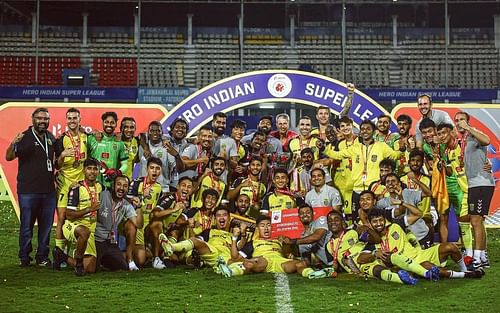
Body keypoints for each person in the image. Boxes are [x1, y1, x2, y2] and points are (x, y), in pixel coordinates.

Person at [367, 209, 484, 280]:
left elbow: (418, 214)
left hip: (421, 253)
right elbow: (360, 257)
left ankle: (465, 270)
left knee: (450, 247)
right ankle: (462, 275)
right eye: (375, 222)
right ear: (370, 224)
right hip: (410, 265)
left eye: (380, 220)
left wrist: (402, 202)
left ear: (384, 219)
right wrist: (375, 253)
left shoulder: (395, 225)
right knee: (429, 267)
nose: (378, 224)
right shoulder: (371, 241)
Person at [6, 107, 56, 267]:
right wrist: (13, 142)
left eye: (46, 119)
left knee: (46, 227)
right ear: (33, 119)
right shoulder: (25, 137)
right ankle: (24, 257)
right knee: (27, 226)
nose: (43, 121)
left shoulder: (51, 138)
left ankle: (42, 257)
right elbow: (8, 157)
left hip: (48, 191)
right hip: (28, 191)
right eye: (40, 118)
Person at [324, 120, 403, 222]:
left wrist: (402, 149)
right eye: (363, 129)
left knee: (375, 218)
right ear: (360, 132)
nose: (365, 131)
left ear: (374, 132)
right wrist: (323, 149)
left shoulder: (381, 146)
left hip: (373, 190)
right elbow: (336, 155)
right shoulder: (355, 148)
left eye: (368, 129)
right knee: (356, 219)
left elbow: (395, 155)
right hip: (357, 190)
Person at [322, 210, 419, 285]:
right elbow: (335, 267)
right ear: (327, 224)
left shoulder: (354, 232)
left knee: (384, 264)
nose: (333, 222)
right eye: (330, 221)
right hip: (359, 269)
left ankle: (411, 274)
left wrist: (367, 228)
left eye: (336, 219)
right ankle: (403, 278)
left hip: (368, 258)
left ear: (342, 222)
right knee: (377, 270)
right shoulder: (328, 246)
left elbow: (377, 240)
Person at [455, 111, 495, 269]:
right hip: (474, 184)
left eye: (462, 120)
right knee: (477, 221)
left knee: (476, 220)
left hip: (482, 183)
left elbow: (487, 140)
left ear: (468, 121)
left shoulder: (473, 135)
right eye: (457, 121)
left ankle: (477, 258)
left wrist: (469, 128)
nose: (459, 123)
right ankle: (483, 256)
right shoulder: (463, 140)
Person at [160, 207, 247, 275]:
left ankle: (217, 268)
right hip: (211, 252)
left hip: (226, 256)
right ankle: (172, 247)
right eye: (218, 215)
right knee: (194, 244)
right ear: (215, 219)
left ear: (229, 218)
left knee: (240, 263)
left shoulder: (234, 234)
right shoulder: (208, 231)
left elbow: (240, 247)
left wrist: (242, 234)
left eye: (224, 215)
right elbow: (195, 242)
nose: (221, 217)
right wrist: (191, 228)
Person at [436, 123, 473, 260]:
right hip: (457, 189)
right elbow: (452, 170)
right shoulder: (446, 151)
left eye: (444, 133)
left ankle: (476, 253)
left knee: (472, 221)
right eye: (439, 134)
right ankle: (468, 254)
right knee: (463, 221)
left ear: (452, 132)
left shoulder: (462, 146)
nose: (441, 136)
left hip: (469, 188)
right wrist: (443, 166)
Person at [60, 158, 103, 276]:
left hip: (91, 230)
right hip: (73, 225)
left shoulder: (99, 187)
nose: (92, 172)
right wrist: (89, 209)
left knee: (90, 269)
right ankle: (78, 264)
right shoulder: (77, 189)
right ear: (84, 170)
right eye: (89, 168)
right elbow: (68, 215)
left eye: (95, 169)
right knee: (84, 232)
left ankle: (61, 256)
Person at [54, 108, 88, 253]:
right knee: (61, 217)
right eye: (69, 118)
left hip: (80, 184)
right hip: (65, 183)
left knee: (76, 218)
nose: (72, 121)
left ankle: (76, 249)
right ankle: (60, 253)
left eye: (75, 118)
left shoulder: (87, 137)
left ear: (80, 120)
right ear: (66, 120)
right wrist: (62, 155)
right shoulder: (61, 140)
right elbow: (57, 164)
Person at [238, 215, 316, 277]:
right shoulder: (253, 242)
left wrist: (287, 247)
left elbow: (288, 253)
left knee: (300, 264)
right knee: (250, 264)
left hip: (280, 261)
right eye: (262, 226)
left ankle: (312, 274)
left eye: (268, 225)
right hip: (264, 261)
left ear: (271, 227)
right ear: (257, 229)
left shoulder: (278, 241)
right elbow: (238, 257)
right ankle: (233, 271)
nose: (266, 228)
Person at [375, 173, 432, 248]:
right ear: (385, 186)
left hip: (420, 235)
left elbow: (428, 193)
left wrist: (415, 180)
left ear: (399, 183)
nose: (390, 184)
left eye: (393, 181)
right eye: (387, 182)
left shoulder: (408, 193)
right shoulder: (382, 203)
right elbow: (400, 211)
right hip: (403, 239)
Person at [126, 157, 163, 268]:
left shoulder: (159, 188)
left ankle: (156, 258)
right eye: (152, 168)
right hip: (136, 222)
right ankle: (127, 254)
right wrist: (141, 195)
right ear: (147, 169)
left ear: (160, 171)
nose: (154, 171)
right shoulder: (136, 183)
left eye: (157, 168)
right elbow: (126, 203)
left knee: (158, 224)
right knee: (141, 261)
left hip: (148, 223)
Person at [87, 112, 128, 189]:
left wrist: (118, 172)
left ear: (116, 124)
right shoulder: (92, 139)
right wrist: (92, 132)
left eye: (112, 122)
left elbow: (125, 165)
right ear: (102, 123)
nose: (109, 125)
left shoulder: (120, 143)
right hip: (92, 185)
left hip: (111, 186)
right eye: (106, 122)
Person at [138, 121, 175, 192]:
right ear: (148, 132)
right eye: (152, 131)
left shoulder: (167, 147)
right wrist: (145, 147)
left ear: (162, 133)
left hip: (162, 188)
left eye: (158, 131)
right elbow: (139, 135)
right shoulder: (142, 147)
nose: (155, 133)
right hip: (143, 189)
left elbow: (173, 166)